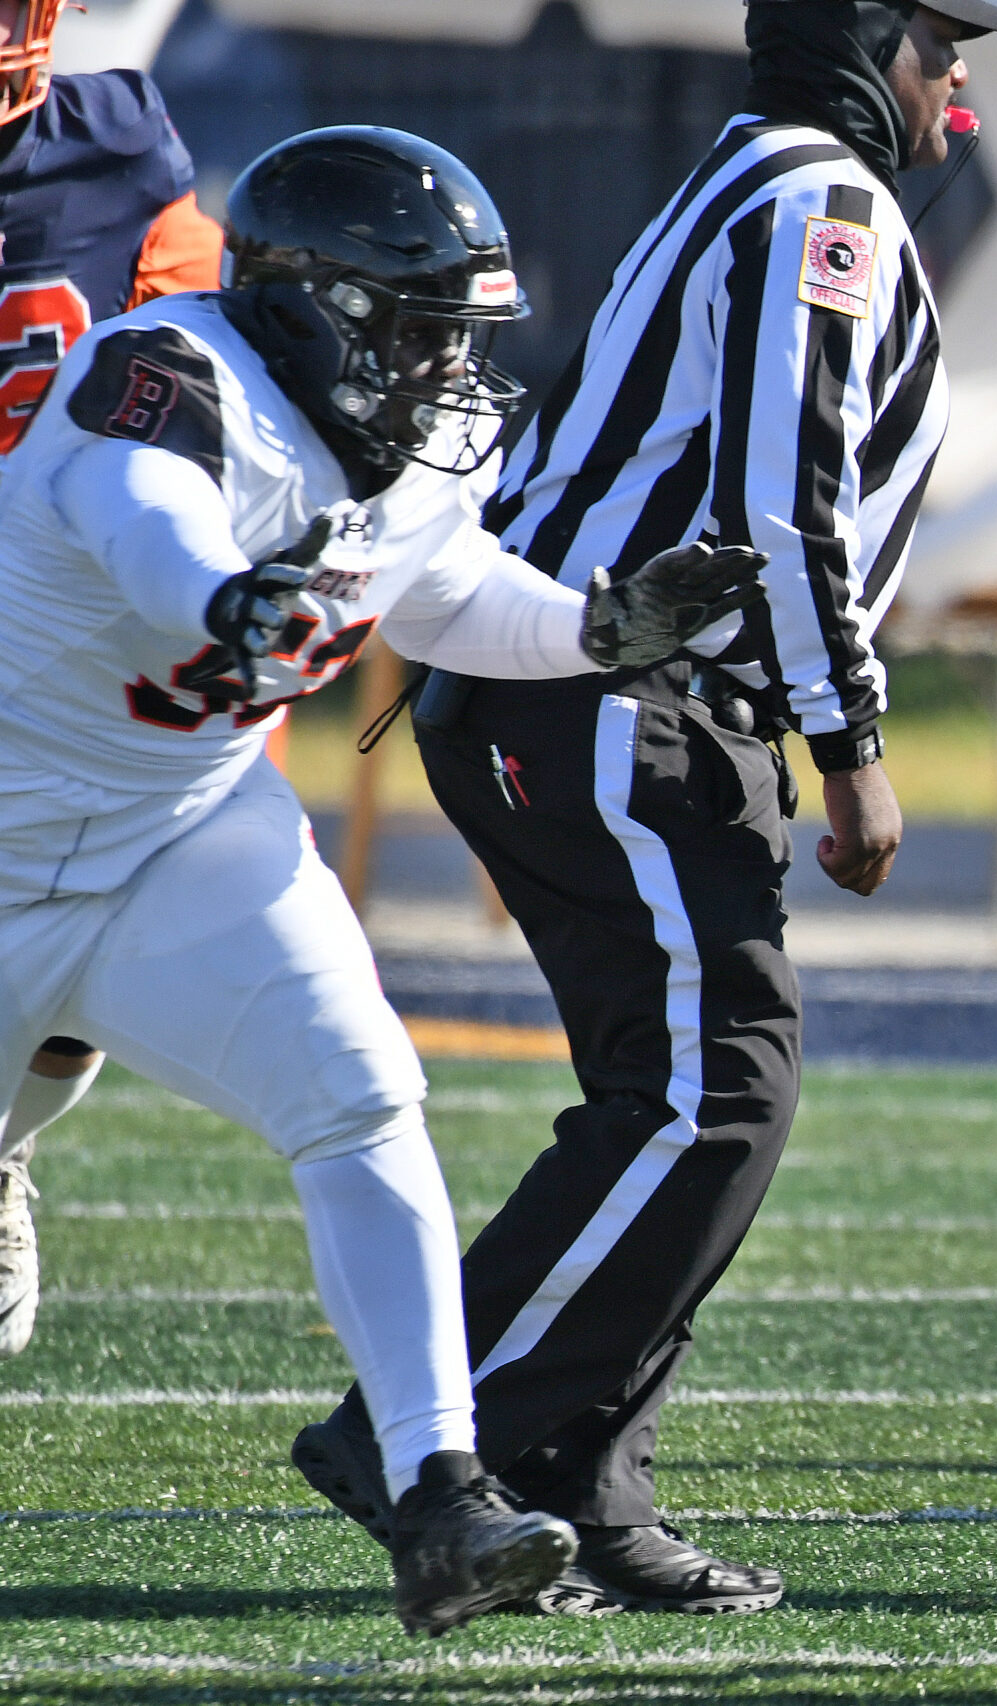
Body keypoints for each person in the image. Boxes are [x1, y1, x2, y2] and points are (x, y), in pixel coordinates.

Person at [291, 0, 997, 1617]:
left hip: (598, 690)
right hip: (620, 696)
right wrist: (854, 740)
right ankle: (433, 1441)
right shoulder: (819, 197)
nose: (961, 70)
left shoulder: (755, 174)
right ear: (861, 36)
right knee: (711, 1091)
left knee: (691, 1090)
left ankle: (578, 1485)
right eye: (941, 36)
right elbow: (785, 483)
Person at [0, 122, 765, 1634]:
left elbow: (449, 586)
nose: (446, 375)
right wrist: (228, 597)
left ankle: (438, 1491)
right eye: (419, 336)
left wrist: (596, 632)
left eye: (455, 341)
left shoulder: (413, 445)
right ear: (308, 307)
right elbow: (143, 522)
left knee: (363, 1092)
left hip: (178, 831)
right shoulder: (168, 372)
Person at [0, 0, 227, 1360]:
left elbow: (205, 360)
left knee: (79, 958)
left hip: (58, 626)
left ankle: (3, 1150)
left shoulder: (123, 151)